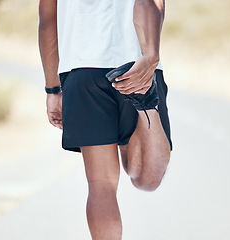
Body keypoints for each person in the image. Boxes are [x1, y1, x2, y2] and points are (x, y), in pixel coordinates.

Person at [38, 0, 172, 239]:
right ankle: (145, 102)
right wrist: (150, 55)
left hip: (83, 67)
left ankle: (144, 100)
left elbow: (48, 19)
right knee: (147, 179)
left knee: (101, 185)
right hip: (137, 62)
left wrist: (52, 89)